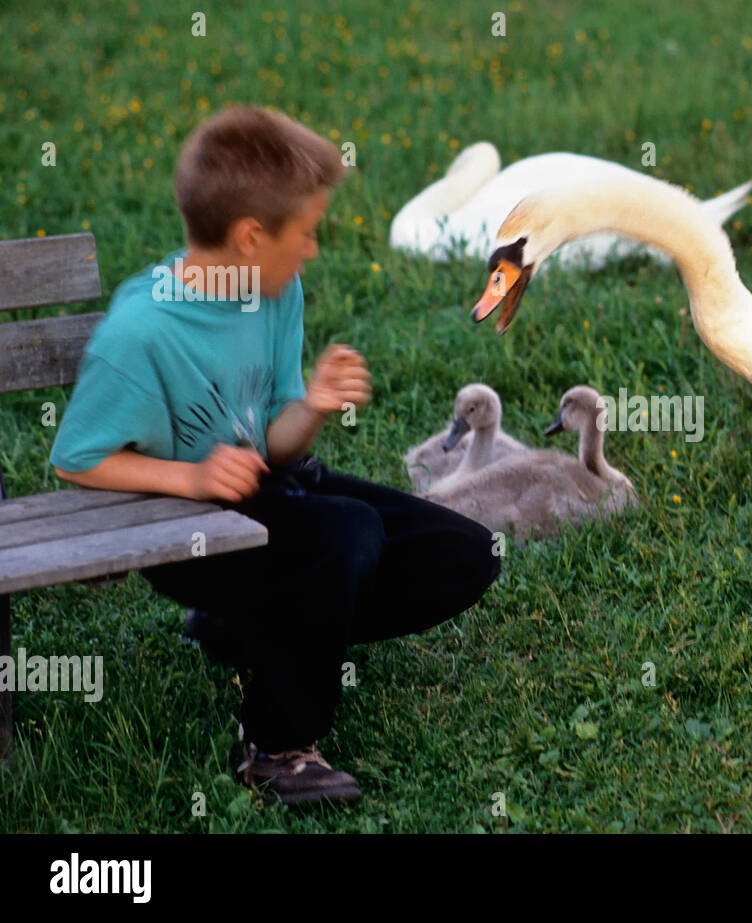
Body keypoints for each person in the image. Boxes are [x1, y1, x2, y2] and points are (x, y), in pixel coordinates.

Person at [50, 104, 501, 806]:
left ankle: (250, 627)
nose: (314, 250)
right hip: (188, 533)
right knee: (347, 534)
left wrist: (311, 407)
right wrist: (191, 476)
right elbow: (75, 460)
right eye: (307, 233)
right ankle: (277, 745)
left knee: (468, 552)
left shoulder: (273, 286)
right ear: (251, 236)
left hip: (273, 487)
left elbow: (275, 444)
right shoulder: (140, 333)